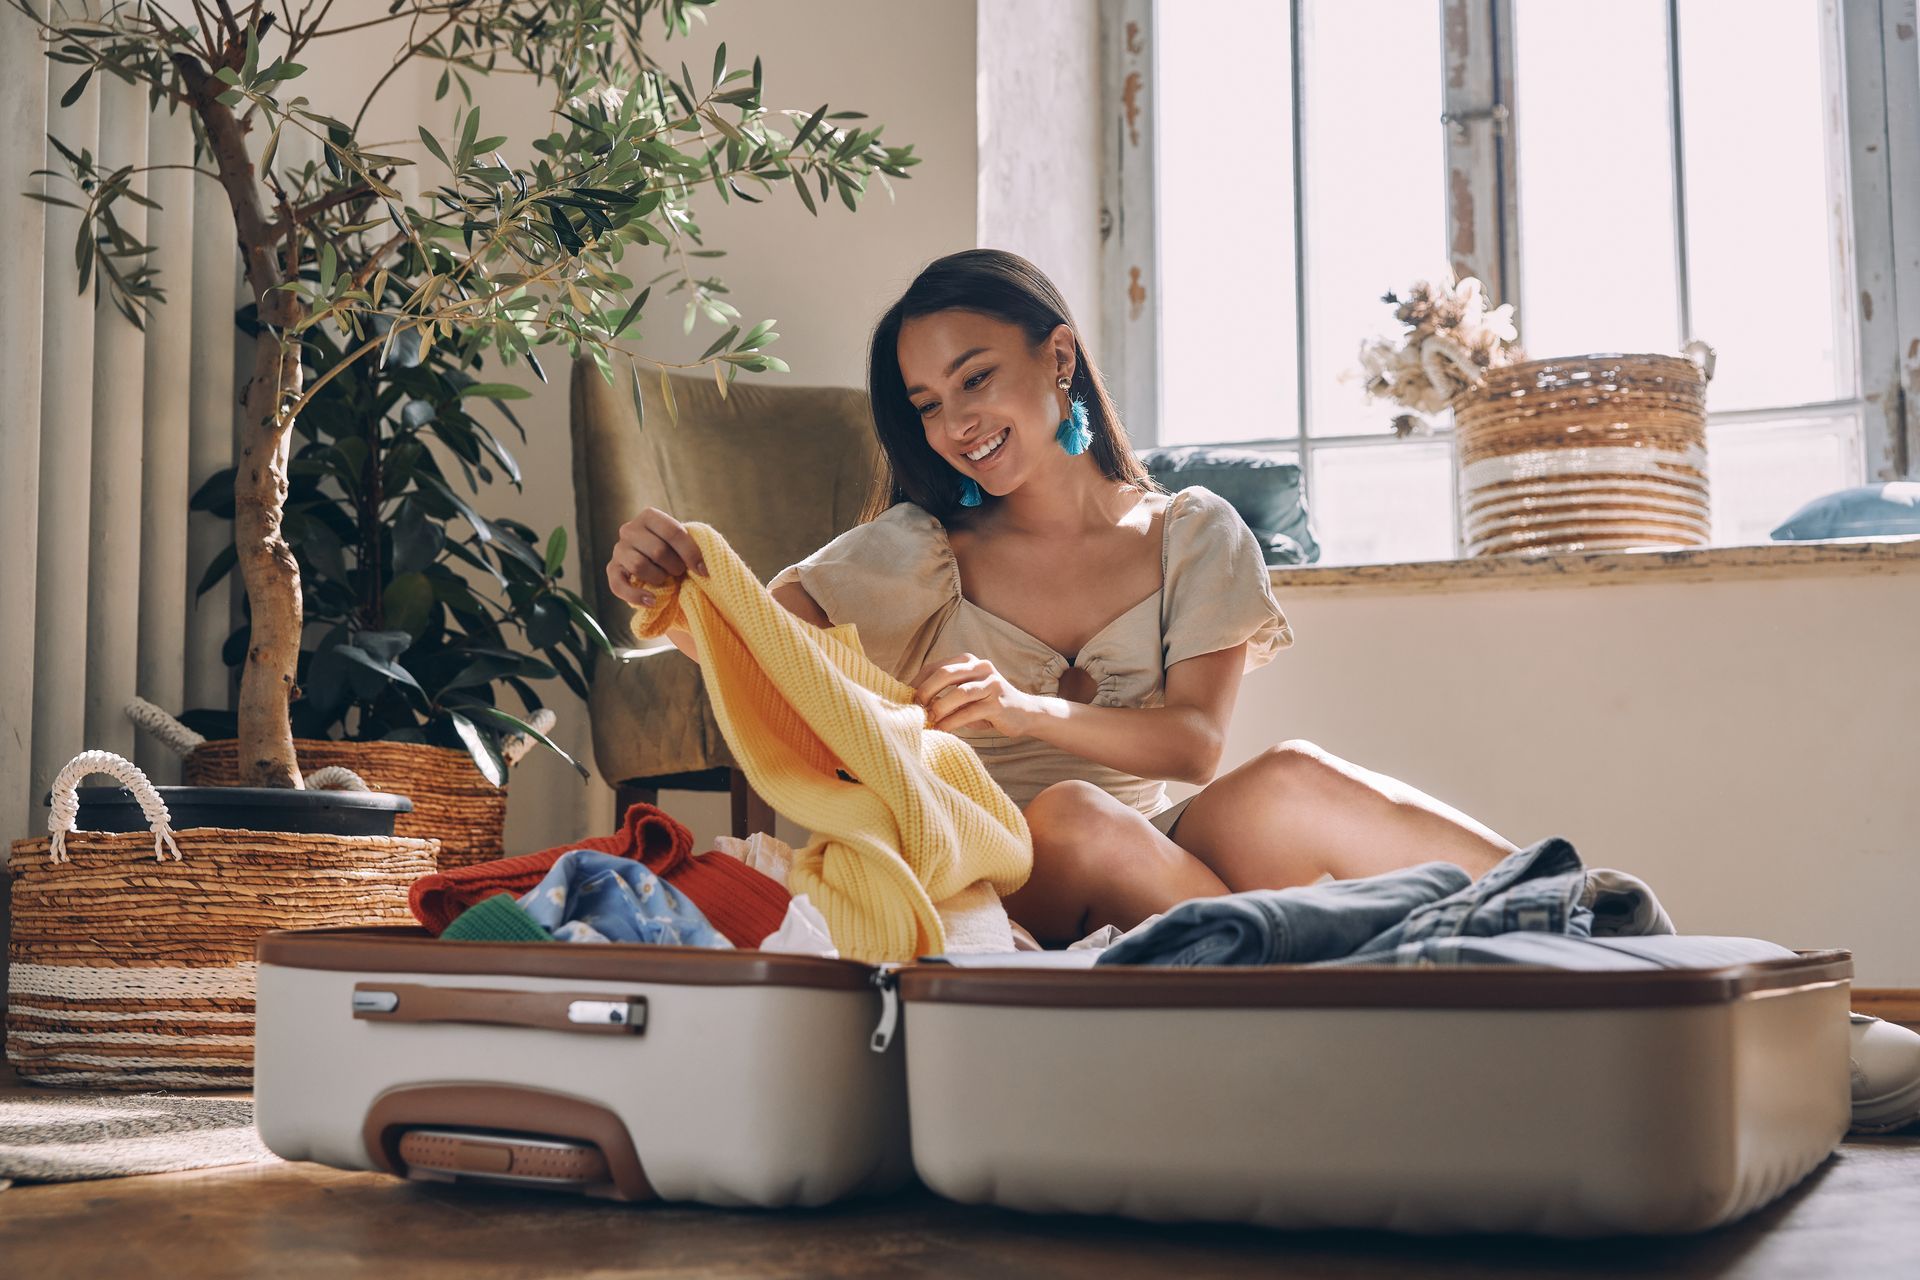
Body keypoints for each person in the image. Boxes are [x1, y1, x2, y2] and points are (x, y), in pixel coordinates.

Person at [606, 249, 1516, 947]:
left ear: (1059, 359)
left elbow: (1194, 748)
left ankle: (1565, 902)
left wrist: (1024, 709)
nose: (955, 423)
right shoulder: (916, 552)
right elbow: (764, 650)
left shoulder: (1192, 533)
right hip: (1001, 860)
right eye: (926, 402)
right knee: (1077, 815)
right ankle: (1329, 967)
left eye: (975, 377)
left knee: (1293, 777)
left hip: (1161, 853)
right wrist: (675, 584)